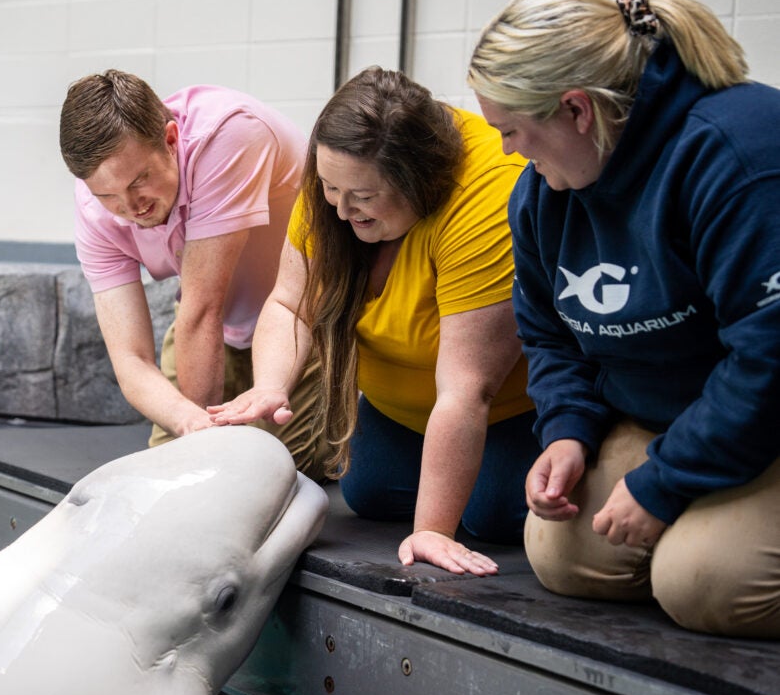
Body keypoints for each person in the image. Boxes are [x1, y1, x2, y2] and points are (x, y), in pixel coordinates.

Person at [468, 0, 780, 637]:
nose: (507, 152)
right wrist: (568, 431)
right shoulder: (544, 194)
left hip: (768, 413)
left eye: (513, 131)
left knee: (703, 580)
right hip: (679, 413)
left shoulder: (737, 154)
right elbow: (548, 332)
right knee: (563, 549)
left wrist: (663, 483)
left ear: (577, 110)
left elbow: (768, 356)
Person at [209, 67, 539, 574]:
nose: (341, 210)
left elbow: (466, 389)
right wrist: (271, 386)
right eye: (329, 189)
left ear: (418, 181)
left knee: (490, 513)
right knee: (369, 491)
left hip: (505, 408)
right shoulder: (339, 177)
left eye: (363, 198)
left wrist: (431, 529)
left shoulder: (486, 200)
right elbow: (290, 303)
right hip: (400, 405)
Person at [59, 70, 329, 479]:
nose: (131, 206)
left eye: (140, 181)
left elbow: (204, 308)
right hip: (208, 327)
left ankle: (348, 414)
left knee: (265, 477)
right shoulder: (95, 207)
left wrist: (201, 455)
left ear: (170, 140)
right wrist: (189, 422)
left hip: (305, 319)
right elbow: (130, 358)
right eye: (109, 195)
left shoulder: (229, 135)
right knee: (167, 475)